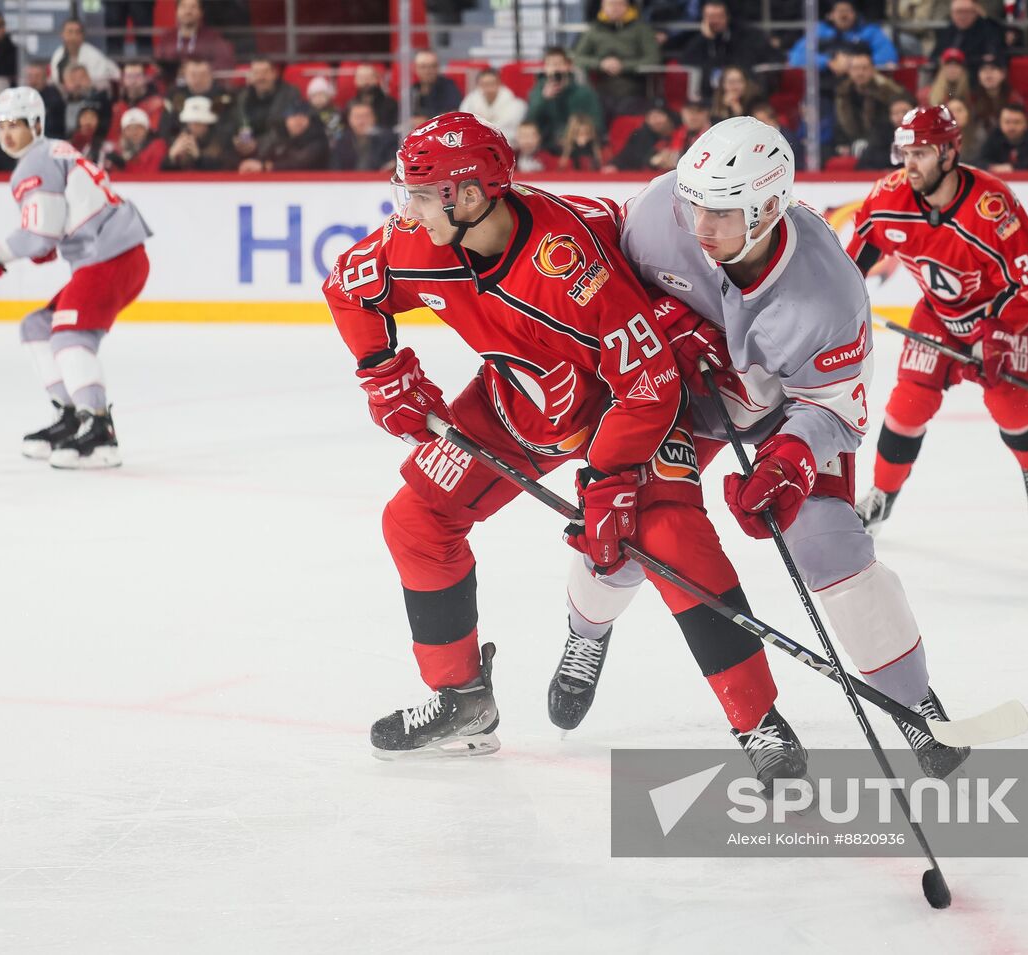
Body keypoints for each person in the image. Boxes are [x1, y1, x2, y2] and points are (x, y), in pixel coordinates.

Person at [322, 112, 809, 791]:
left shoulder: (569, 266)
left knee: (670, 537)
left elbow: (649, 385)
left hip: (623, 407)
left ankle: (759, 721)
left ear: (470, 196)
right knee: (415, 520)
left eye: (423, 196)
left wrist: (609, 478)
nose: (408, 211)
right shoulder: (416, 241)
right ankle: (462, 701)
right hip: (521, 396)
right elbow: (349, 286)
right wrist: (382, 369)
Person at [554, 115, 970, 779]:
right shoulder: (663, 211)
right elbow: (604, 276)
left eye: (721, 212)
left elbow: (834, 407)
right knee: (627, 524)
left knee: (830, 545)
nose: (699, 226)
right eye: (695, 204)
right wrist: (661, 321)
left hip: (783, 413)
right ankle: (586, 633)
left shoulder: (828, 291)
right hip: (680, 398)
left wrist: (789, 461)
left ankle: (913, 699)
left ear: (770, 207)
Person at [849, 106, 1028, 531]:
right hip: (940, 314)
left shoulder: (992, 209)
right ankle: (883, 494)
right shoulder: (889, 196)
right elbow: (855, 260)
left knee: (1009, 402)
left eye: (922, 154)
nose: (910, 165)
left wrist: (997, 334)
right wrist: (836, 300)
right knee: (908, 404)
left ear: (948, 154)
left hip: (1006, 316)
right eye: (906, 154)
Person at [0, 87, 152, 468]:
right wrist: (41, 244)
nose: (7, 134)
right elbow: (52, 229)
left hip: (110, 257)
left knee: (70, 335)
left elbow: (40, 235)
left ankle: (99, 431)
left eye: (16, 124)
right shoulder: (55, 152)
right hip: (114, 255)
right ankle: (72, 416)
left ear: (37, 125)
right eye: (1, 126)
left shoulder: (35, 163)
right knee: (37, 327)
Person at [571, 0, 661, 116]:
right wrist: (601, 64)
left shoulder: (642, 29)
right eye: (611, 4)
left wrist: (623, 66)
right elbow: (577, 57)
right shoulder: (594, 29)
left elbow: (653, 58)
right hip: (600, 92)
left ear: (627, 6)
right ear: (603, 6)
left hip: (634, 92)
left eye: (620, 4)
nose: (615, 8)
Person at [679, 1, 781, 98]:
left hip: (745, 91)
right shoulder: (699, 40)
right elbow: (686, 61)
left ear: (727, 17)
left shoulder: (746, 35)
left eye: (718, 16)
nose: (714, 21)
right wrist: (706, 39)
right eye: (710, 17)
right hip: (710, 94)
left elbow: (774, 57)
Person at [524, 47, 605, 152]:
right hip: (544, 148)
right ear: (545, 68)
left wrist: (571, 135)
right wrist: (543, 99)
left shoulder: (585, 93)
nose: (555, 69)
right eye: (550, 64)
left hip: (576, 147)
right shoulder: (537, 93)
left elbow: (597, 124)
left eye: (558, 64)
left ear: (568, 66)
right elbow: (529, 124)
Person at [835, 51, 911, 157]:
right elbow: (840, 125)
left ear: (872, 69)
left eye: (864, 68)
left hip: (882, 144)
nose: (860, 73)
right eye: (856, 68)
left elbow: (888, 125)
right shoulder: (842, 94)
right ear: (849, 71)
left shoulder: (888, 92)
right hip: (852, 142)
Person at [788, 0, 899, 70]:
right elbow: (796, 57)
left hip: (862, 88)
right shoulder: (819, 30)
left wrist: (855, 63)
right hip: (826, 88)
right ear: (831, 15)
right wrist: (828, 62)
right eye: (839, 11)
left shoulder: (870, 31)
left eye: (847, 11)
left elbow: (888, 56)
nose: (843, 15)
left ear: (855, 14)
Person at [232, 59, 302, 164]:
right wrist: (236, 140)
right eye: (256, 73)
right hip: (244, 151)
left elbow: (284, 129)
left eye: (265, 72)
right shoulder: (242, 96)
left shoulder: (289, 94)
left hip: (278, 154)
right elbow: (235, 123)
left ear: (274, 74)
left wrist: (257, 144)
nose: (261, 77)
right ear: (250, 76)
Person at [162, 57, 235, 142]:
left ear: (211, 75)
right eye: (193, 75)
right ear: (184, 75)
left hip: (214, 142)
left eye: (203, 75)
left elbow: (229, 126)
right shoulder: (174, 94)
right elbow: (166, 125)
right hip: (182, 141)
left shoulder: (223, 95)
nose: (198, 79)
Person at [154, 0, 235, 74]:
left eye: (193, 7)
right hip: (172, 83)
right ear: (176, 11)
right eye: (183, 7)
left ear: (201, 12)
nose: (188, 11)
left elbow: (225, 63)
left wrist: (201, 70)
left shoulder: (213, 38)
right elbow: (158, 66)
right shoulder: (167, 38)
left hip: (203, 84)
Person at [253, 102, 331, 171]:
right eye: (294, 116)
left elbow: (300, 163)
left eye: (303, 117)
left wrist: (268, 166)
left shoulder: (318, 138)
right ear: (285, 120)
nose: (298, 121)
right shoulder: (278, 135)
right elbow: (264, 153)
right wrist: (257, 163)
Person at [49, 18, 121, 93]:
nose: (73, 36)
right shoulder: (58, 54)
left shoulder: (93, 55)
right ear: (62, 34)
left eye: (77, 32)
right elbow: (56, 80)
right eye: (70, 32)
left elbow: (96, 83)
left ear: (82, 36)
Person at [163, 96, 235, 170]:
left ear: (207, 124)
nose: (192, 127)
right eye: (190, 122)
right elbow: (164, 172)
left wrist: (198, 157)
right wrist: (171, 157)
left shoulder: (220, 142)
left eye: (197, 123)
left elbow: (223, 169)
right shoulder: (179, 138)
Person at [459, 68, 527, 144]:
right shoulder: (469, 102)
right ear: (479, 85)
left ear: (499, 84)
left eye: (492, 83)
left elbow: (512, 132)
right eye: (485, 84)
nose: (489, 88)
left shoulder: (515, 106)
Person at [978, 102, 1028, 170]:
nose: (1011, 127)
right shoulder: (994, 137)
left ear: (1026, 124)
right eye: (1007, 122)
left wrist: (1012, 168)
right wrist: (993, 167)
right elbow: (978, 161)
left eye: (1017, 122)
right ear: (1000, 123)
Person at [930, 0, 1006, 66]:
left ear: (976, 13)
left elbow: (990, 58)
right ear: (952, 14)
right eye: (959, 12)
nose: (963, 16)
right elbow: (934, 57)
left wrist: (961, 60)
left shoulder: (989, 30)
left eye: (967, 12)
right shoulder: (947, 31)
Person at [329, 101, 397, 172]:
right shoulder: (341, 142)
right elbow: (335, 168)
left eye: (366, 116)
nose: (361, 122)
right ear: (349, 119)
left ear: (374, 118)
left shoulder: (387, 138)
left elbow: (392, 161)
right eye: (357, 117)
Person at [610, 102, 677, 170]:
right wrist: (615, 165)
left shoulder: (681, 132)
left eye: (659, 116)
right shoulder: (641, 135)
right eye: (651, 118)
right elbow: (628, 155)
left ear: (668, 116)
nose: (656, 121)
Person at [102, 107, 167, 173]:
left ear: (146, 130)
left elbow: (149, 174)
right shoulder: (118, 151)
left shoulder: (157, 146)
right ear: (123, 133)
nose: (134, 133)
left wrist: (125, 166)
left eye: (139, 128)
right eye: (129, 129)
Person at [969, 53, 1021, 134]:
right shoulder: (972, 98)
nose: (988, 73)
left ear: (1003, 74)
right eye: (984, 69)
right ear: (978, 76)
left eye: (993, 69)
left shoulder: (1013, 98)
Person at [411, 49, 463, 118]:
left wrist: (426, 119)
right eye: (423, 67)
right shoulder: (413, 90)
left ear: (438, 68)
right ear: (416, 69)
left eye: (432, 66)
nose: (428, 71)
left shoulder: (449, 87)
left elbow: (454, 113)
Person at [348, 64, 400, 131]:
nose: (366, 81)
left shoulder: (390, 104)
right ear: (355, 81)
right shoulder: (350, 105)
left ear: (376, 79)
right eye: (362, 78)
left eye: (370, 77)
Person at [24, 60, 66, 139]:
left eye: (37, 76)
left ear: (45, 78)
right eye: (30, 76)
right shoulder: (24, 95)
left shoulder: (54, 96)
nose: (33, 80)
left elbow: (52, 126)